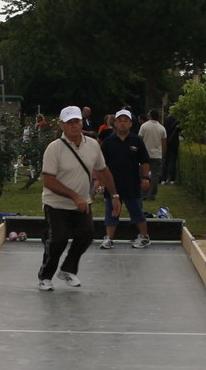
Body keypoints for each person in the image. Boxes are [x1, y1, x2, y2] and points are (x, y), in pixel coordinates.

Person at [38, 107, 115, 289]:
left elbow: (102, 170)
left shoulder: (93, 145)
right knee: (58, 239)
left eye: (77, 121)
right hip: (56, 203)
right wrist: (74, 196)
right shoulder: (54, 148)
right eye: (70, 122)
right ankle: (45, 276)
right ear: (63, 125)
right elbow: (48, 181)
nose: (74, 126)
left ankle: (67, 269)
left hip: (82, 202)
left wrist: (115, 195)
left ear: (82, 122)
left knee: (87, 234)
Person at [99, 109, 152, 249]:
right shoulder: (108, 142)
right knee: (111, 212)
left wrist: (145, 178)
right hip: (113, 185)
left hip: (132, 183)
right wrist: (100, 181)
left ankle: (144, 237)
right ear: (115, 123)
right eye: (120, 120)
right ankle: (109, 238)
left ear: (130, 124)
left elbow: (145, 161)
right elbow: (101, 164)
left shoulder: (137, 141)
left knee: (136, 211)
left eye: (126, 121)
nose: (122, 123)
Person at [139, 109, 166, 199]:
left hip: (145, 153)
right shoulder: (162, 128)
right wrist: (163, 155)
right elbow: (164, 143)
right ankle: (151, 194)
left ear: (150, 116)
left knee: (143, 174)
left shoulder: (144, 126)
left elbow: (139, 140)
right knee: (155, 175)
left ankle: (143, 193)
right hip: (157, 154)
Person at [161, 112, 181, 184]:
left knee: (165, 161)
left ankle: (163, 179)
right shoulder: (178, 121)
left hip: (166, 141)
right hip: (174, 142)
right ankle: (172, 179)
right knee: (173, 161)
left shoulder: (166, 120)